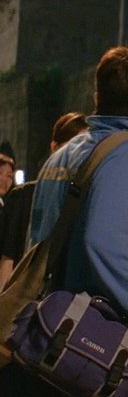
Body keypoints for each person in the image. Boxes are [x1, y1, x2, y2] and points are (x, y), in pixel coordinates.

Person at [14, 46, 128, 392]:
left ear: (97, 97)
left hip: (40, 328)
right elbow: (104, 244)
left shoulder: (66, 152)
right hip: (79, 337)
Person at [0, 112, 89, 290]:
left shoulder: (84, 197)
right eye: (69, 147)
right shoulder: (23, 195)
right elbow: (8, 258)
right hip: (27, 291)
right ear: (54, 148)